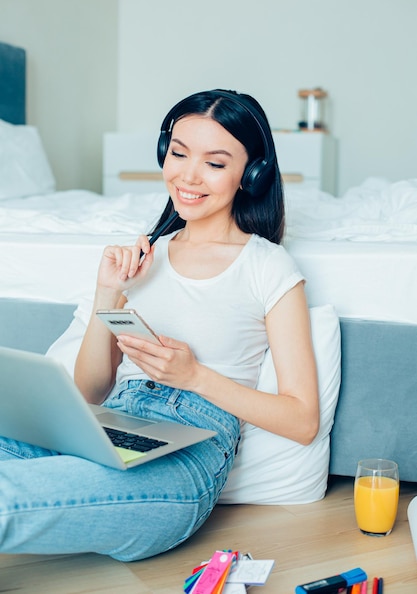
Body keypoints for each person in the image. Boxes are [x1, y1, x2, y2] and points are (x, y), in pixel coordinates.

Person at [0, 89, 319, 561]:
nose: (188, 176)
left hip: (186, 457)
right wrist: (107, 294)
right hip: (107, 427)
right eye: (178, 153)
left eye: (214, 162)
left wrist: (195, 377)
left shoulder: (267, 267)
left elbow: (302, 420)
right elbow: (89, 392)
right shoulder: (146, 255)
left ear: (250, 173)